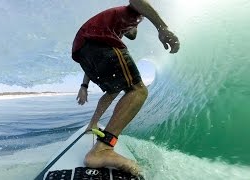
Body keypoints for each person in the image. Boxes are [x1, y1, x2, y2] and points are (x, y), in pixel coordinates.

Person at [72, 0, 180, 175]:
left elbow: (92, 55)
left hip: (83, 49)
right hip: (97, 42)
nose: (134, 33)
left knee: (113, 90)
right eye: (133, 30)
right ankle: (102, 150)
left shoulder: (108, 28)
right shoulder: (133, 14)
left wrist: (84, 85)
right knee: (138, 90)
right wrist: (162, 28)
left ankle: (92, 124)